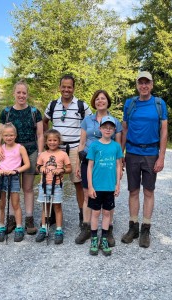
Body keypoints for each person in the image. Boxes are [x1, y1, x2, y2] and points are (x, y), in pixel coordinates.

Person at [121, 71, 168, 248]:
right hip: (132, 152)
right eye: (140, 83)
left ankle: (146, 228)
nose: (144, 86)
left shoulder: (159, 103)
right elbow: (124, 129)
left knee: (148, 191)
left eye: (146, 82)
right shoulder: (130, 103)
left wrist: (161, 156)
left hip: (151, 153)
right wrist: (121, 154)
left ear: (152, 84)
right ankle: (133, 227)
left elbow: (164, 131)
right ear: (137, 85)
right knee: (133, 191)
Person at [0, 80, 44, 235]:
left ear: (27, 94)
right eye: (19, 92)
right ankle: (11, 220)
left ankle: (29, 219)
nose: (21, 95)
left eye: (24, 93)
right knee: (9, 187)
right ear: (14, 93)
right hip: (10, 153)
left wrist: (41, 153)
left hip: (30, 151)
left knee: (28, 188)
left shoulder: (34, 112)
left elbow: (41, 134)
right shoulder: (7, 112)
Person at [43, 75, 92, 228]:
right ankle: (51, 215)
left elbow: (91, 123)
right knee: (51, 182)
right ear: (59, 87)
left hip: (75, 149)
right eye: (63, 86)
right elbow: (45, 121)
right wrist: (48, 139)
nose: (66, 89)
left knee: (79, 183)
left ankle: (83, 215)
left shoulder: (81, 106)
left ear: (73, 88)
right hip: (56, 150)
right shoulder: (52, 105)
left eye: (69, 87)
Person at [75, 90, 122, 246]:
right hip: (88, 162)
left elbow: (119, 146)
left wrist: (120, 167)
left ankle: (108, 230)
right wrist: (77, 163)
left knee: (109, 195)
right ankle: (87, 227)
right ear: (94, 102)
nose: (100, 101)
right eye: (97, 99)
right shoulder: (87, 120)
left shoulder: (115, 121)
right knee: (87, 194)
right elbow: (81, 143)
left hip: (107, 165)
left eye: (103, 99)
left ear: (108, 101)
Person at [87, 116, 123, 256]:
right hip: (96, 186)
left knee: (107, 213)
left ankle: (104, 239)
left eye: (110, 127)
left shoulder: (116, 146)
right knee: (95, 213)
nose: (108, 130)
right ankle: (94, 239)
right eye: (105, 127)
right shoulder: (95, 145)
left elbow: (118, 166)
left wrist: (117, 184)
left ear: (114, 130)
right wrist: (90, 186)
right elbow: (90, 166)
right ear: (100, 128)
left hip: (109, 186)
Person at [0, 123, 31, 242]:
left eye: (11, 135)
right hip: (1, 177)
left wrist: (16, 171)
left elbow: (27, 164)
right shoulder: (1, 148)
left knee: (15, 204)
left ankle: (19, 227)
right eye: (6, 135)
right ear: (2, 136)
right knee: (1, 204)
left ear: (15, 135)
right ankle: (1, 226)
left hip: (13, 177)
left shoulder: (20, 148)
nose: (9, 137)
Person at [35, 129, 72, 244]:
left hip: (57, 185)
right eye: (50, 140)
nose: (52, 142)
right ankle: (44, 227)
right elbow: (38, 167)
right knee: (45, 206)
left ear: (59, 141)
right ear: (46, 142)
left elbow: (69, 168)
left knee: (57, 207)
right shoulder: (43, 155)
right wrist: (41, 168)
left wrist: (61, 170)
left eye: (55, 140)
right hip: (44, 185)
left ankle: (59, 230)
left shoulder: (63, 154)